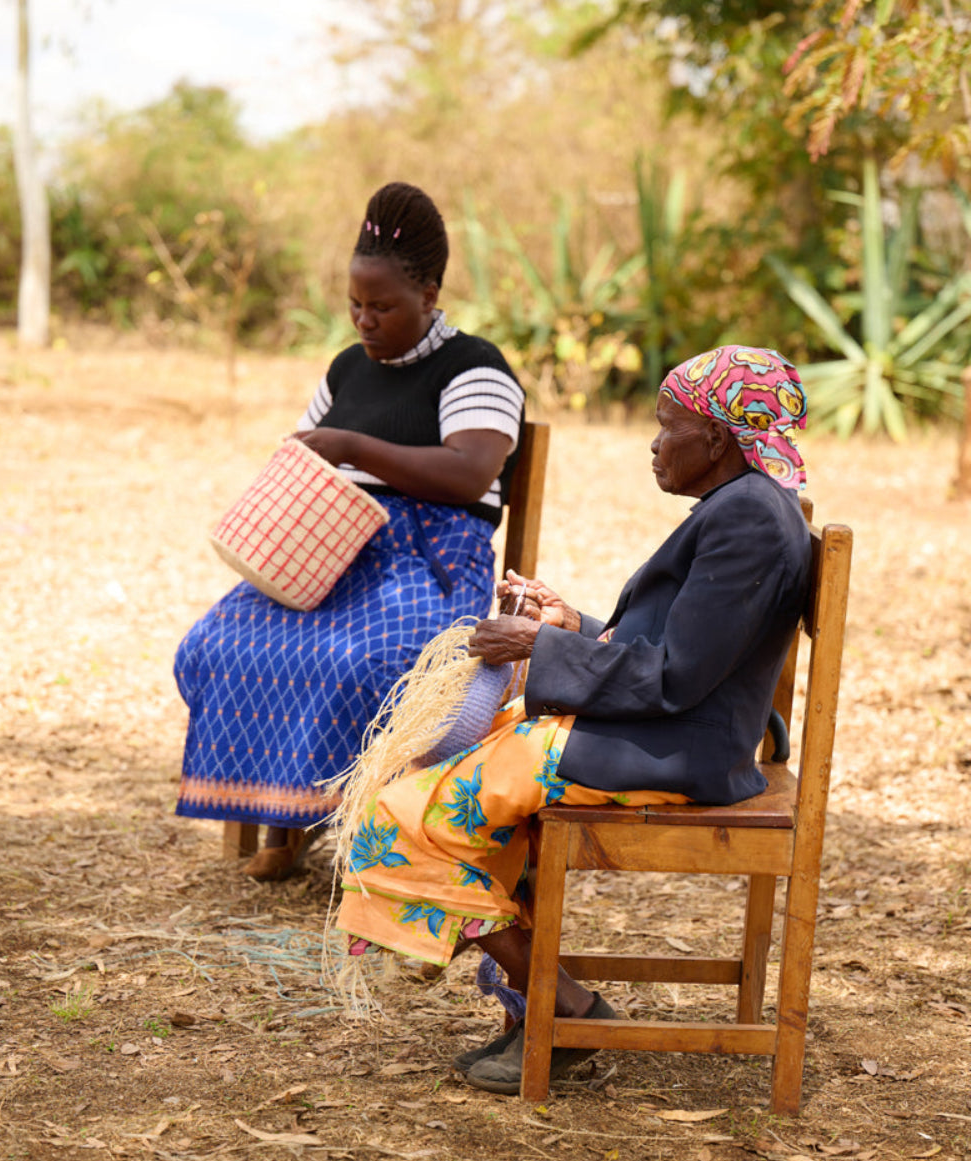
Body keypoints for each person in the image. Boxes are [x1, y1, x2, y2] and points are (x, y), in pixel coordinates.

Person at [334, 344, 813, 1095]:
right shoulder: (744, 507)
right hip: (666, 731)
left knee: (397, 816)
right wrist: (576, 625)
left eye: (667, 425)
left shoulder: (749, 516)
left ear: (717, 438)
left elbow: (678, 677)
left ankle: (562, 1006)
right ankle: (545, 1009)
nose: (655, 443)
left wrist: (541, 644)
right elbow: (683, 650)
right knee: (437, 788)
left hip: (673, 751)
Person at [174, 183, 525, 878]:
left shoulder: (475, 367)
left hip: (427, 562)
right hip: (329, 551)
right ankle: (290, 820)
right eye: (355, 305)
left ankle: (373, 831)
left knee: (362, 663)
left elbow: (467, 472)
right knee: (216, 643)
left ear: (429, 294)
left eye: (383, 306)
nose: (365, 320)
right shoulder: (345, 369)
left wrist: (351, 446)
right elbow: (312, 453)